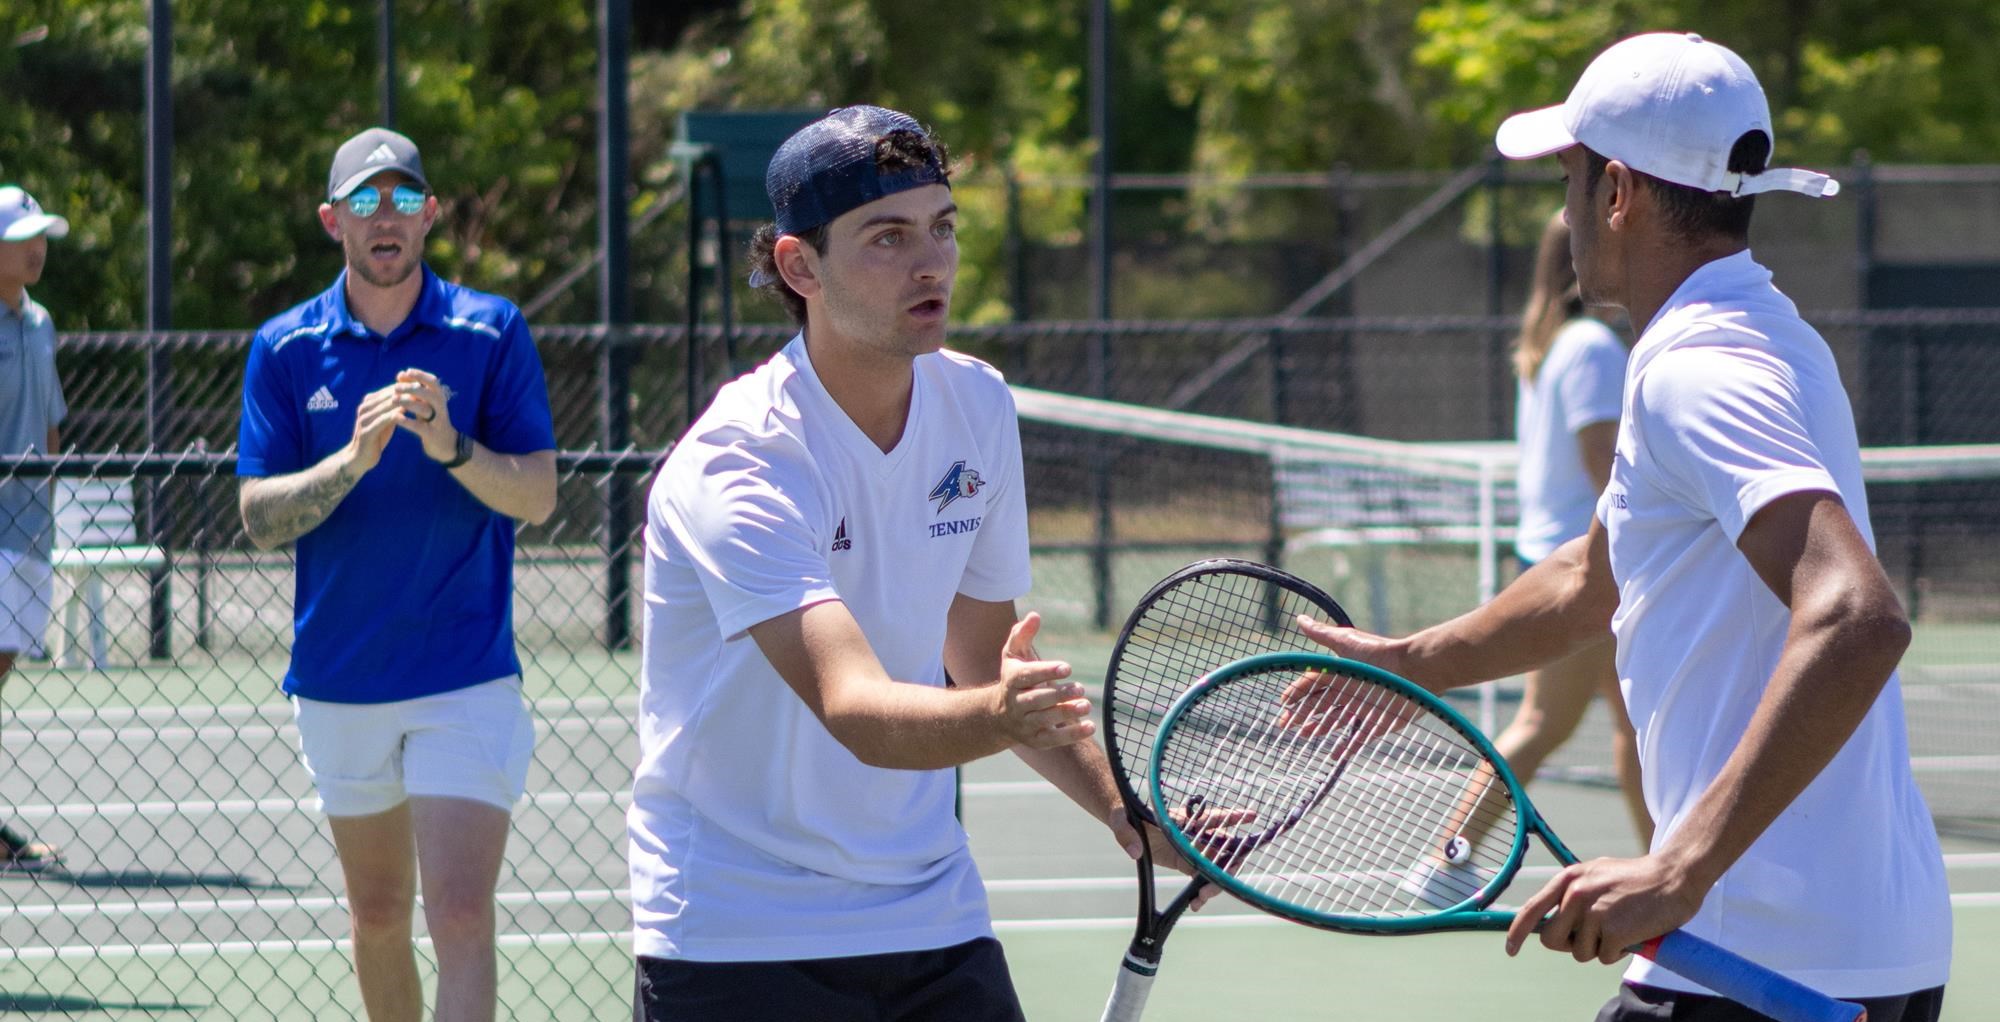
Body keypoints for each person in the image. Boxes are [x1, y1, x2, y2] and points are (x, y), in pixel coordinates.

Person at [1294, 33, 1950, 1021]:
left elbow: (1857, 615)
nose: (1559, 209)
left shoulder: (1697, 367)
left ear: (1614, 192)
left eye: (1565, 179)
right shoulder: (1760, 335)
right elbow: (1588, 581)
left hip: (1753, 958)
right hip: (1861, 949)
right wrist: (1409, 661)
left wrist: (1679, 864)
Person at [631, 105, 1180, 1021]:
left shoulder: (977, 404)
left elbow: (981, 651)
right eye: (888, 237)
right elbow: (858, 711)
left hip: (932, 913)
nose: (932, 262)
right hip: (738, 929)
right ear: (800, 267)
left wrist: (1122, 808)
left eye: (942, 227)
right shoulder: (740, 461)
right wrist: (1003, 712)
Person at [236, 127, 557, 1022]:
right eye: (367, 202)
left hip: (464, 677)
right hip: (340, 681)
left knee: (458, 913)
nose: (388, 217)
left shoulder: (490, 329)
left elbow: (536, 496)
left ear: (431, 215)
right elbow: (258, 518)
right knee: (378, 917)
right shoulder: (285, 346)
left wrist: (451, 447)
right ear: (332, 219)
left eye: (406, 199)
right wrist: (353, 460)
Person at [1498, 210, 1650, 849]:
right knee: (1541, 724)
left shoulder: (1555, 345)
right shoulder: (1588, 346)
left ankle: (1665, 861)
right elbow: (1603, 466)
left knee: (1637, 726)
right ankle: (1444, 856)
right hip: (1584, 565)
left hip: (1566, 555)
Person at [0, 185, 69, 873]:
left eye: (40, 234)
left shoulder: (41, 321)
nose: (36, 246)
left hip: (30, 529)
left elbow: (50, 423)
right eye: (23, 235)